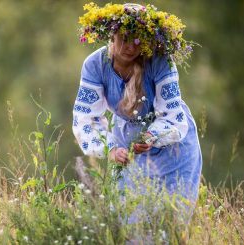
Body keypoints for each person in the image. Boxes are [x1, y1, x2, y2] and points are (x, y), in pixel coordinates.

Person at [73, 2, 202, 226]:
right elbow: (86, 117)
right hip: (126, 143)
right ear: (111, 35)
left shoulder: (160, 61)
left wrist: (152, 137)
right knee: (129, 220)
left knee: (169, 224)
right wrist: (110, 149)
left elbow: (172, 113)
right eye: (124, 37)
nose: (131, 46)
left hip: (173, 146)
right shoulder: (95, 64)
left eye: (137, 38)